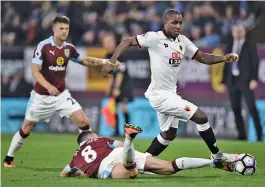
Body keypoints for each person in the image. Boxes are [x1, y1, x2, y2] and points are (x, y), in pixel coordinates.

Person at [101, 9, 239, 162]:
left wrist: (223, 58)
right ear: (165, 22)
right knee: (201, 117)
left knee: (169, 134)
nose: (178, 26)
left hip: (170, 95)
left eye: (180, 23)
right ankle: (217, 155)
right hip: (160, 95)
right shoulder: (154, 38)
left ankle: (141, 162)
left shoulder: (182, 41)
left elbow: (202, 56)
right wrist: (111, 61)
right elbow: (127, 41)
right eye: (174, 22)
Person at [3, 16, 120, 168]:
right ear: (54, 29)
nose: (64, 32)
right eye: (61, 29)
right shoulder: (43, 47)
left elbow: (85, 61)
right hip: (41, 97)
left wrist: (106, 61)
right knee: (27, 128)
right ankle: (8, 159)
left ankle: (91, 156)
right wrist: (48, 86)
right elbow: (35, 72)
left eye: (66, 29)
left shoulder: (68, 48)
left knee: (84, 122)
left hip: (61, 95)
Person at [60, 123, 235, 179]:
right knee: (169, 168)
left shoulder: (76, 157)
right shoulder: (102, 140)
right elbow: (120, 147)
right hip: (118, 153)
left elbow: (64, 174)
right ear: (91, 136)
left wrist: (81, 173)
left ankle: (130, 144)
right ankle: (212, 162)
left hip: (105, 166)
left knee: (132, 172)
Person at [220, 24, 262, 141]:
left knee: (251, 108)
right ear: (233, 33)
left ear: (243, 32)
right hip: (233, 81)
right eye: (235, 31)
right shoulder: (230, 45)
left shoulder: (250, 45)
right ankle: (241, 135)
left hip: (246, 81)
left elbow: (255, 63)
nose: (237, 33)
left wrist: (254, 79)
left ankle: (259, 136)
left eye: (240, 31)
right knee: (235, 108)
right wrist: (224, 81)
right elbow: (225, 63)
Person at [103, 33, 133, 136]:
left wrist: (116, 88)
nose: (107, 44)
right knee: (114, 108)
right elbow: (111, 74)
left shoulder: (120, 54)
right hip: (115, 84)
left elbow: (121, 72)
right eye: (105, 42)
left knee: (123, 107)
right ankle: (115, 131)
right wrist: (109, 87)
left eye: (109, 42)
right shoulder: (107, 56)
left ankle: (128, 131)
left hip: (124, 85)